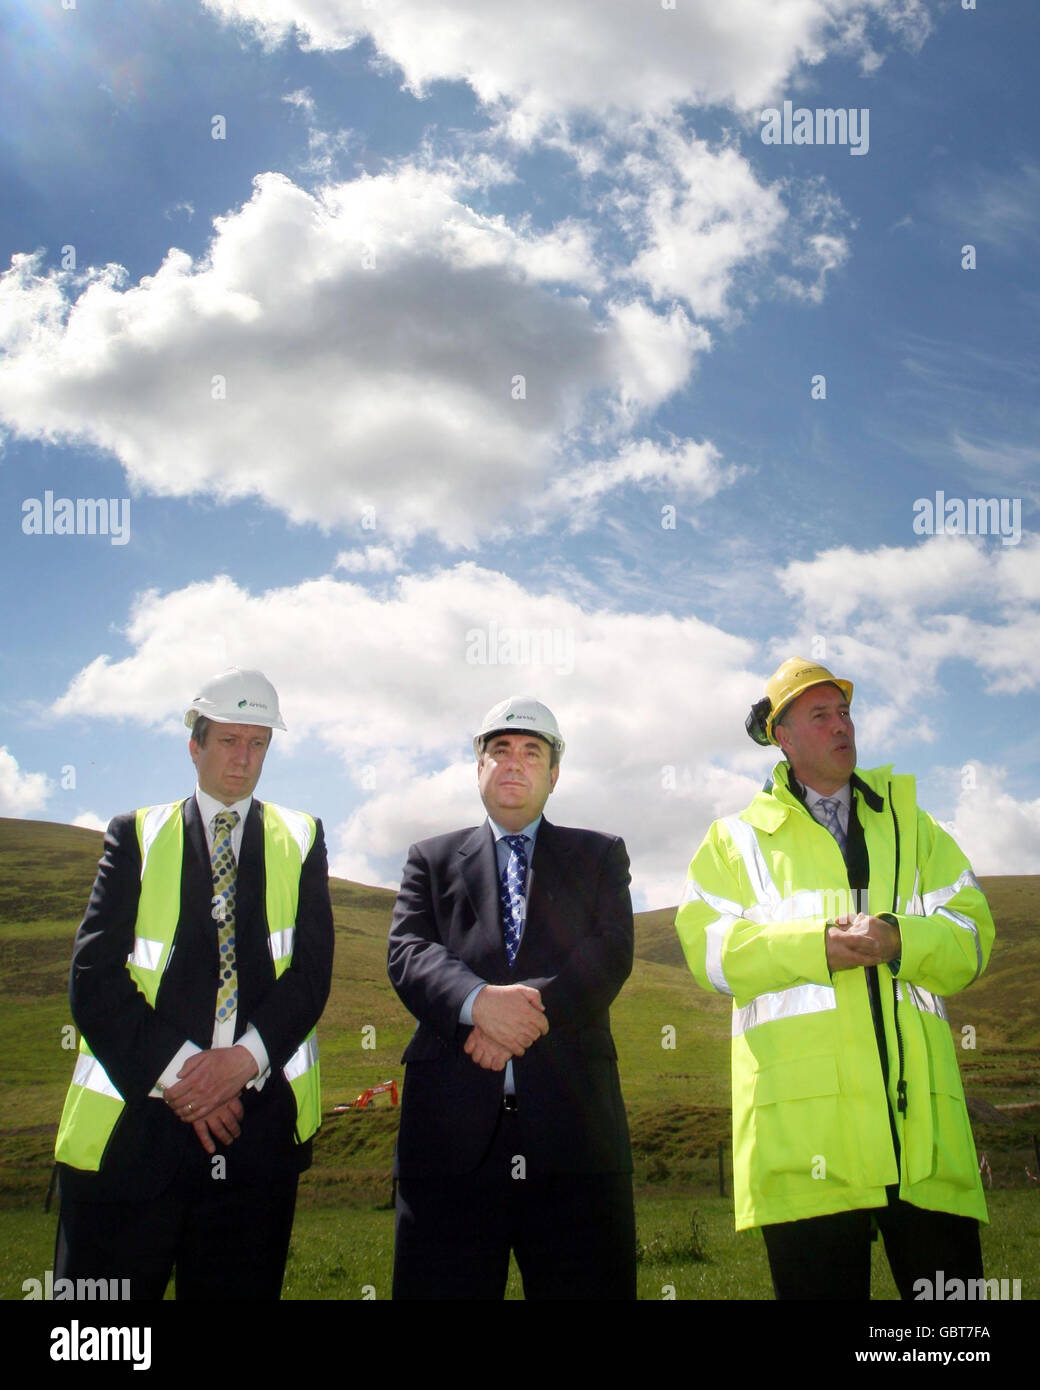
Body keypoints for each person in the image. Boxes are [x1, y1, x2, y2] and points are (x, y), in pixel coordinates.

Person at [675, 657, 995, 1300]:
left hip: (922, 1145)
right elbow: (710, 952)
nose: (840, 726)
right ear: (782, 737)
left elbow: (973, 935)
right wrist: (814, 945)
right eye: (819, 715)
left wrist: (902, 938)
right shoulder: (733, 842)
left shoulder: (918, 829)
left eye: (844, 712)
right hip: (806, 1148)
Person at [53, 668, 334, 1299]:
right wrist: (192, 1077)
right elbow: (94, 979)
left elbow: (311, 974)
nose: (243, 758)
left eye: (257, 743)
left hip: (255, 1138)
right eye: (229, 740)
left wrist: (242, 1062)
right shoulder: (136, 834)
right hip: (132, 1134)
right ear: (195, 745)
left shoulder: (302, 837)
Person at [387, 695, 636, 1299]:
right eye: (499, 751)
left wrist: (517, 1019)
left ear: (554, 774)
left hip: (575, 1144)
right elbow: (408, 952)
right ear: (478, 768)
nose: (514, 764)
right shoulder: (430, 860)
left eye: (533, 752)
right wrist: (477, 1003)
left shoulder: (600, 855)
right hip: (448, 1147)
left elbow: (609, 954)